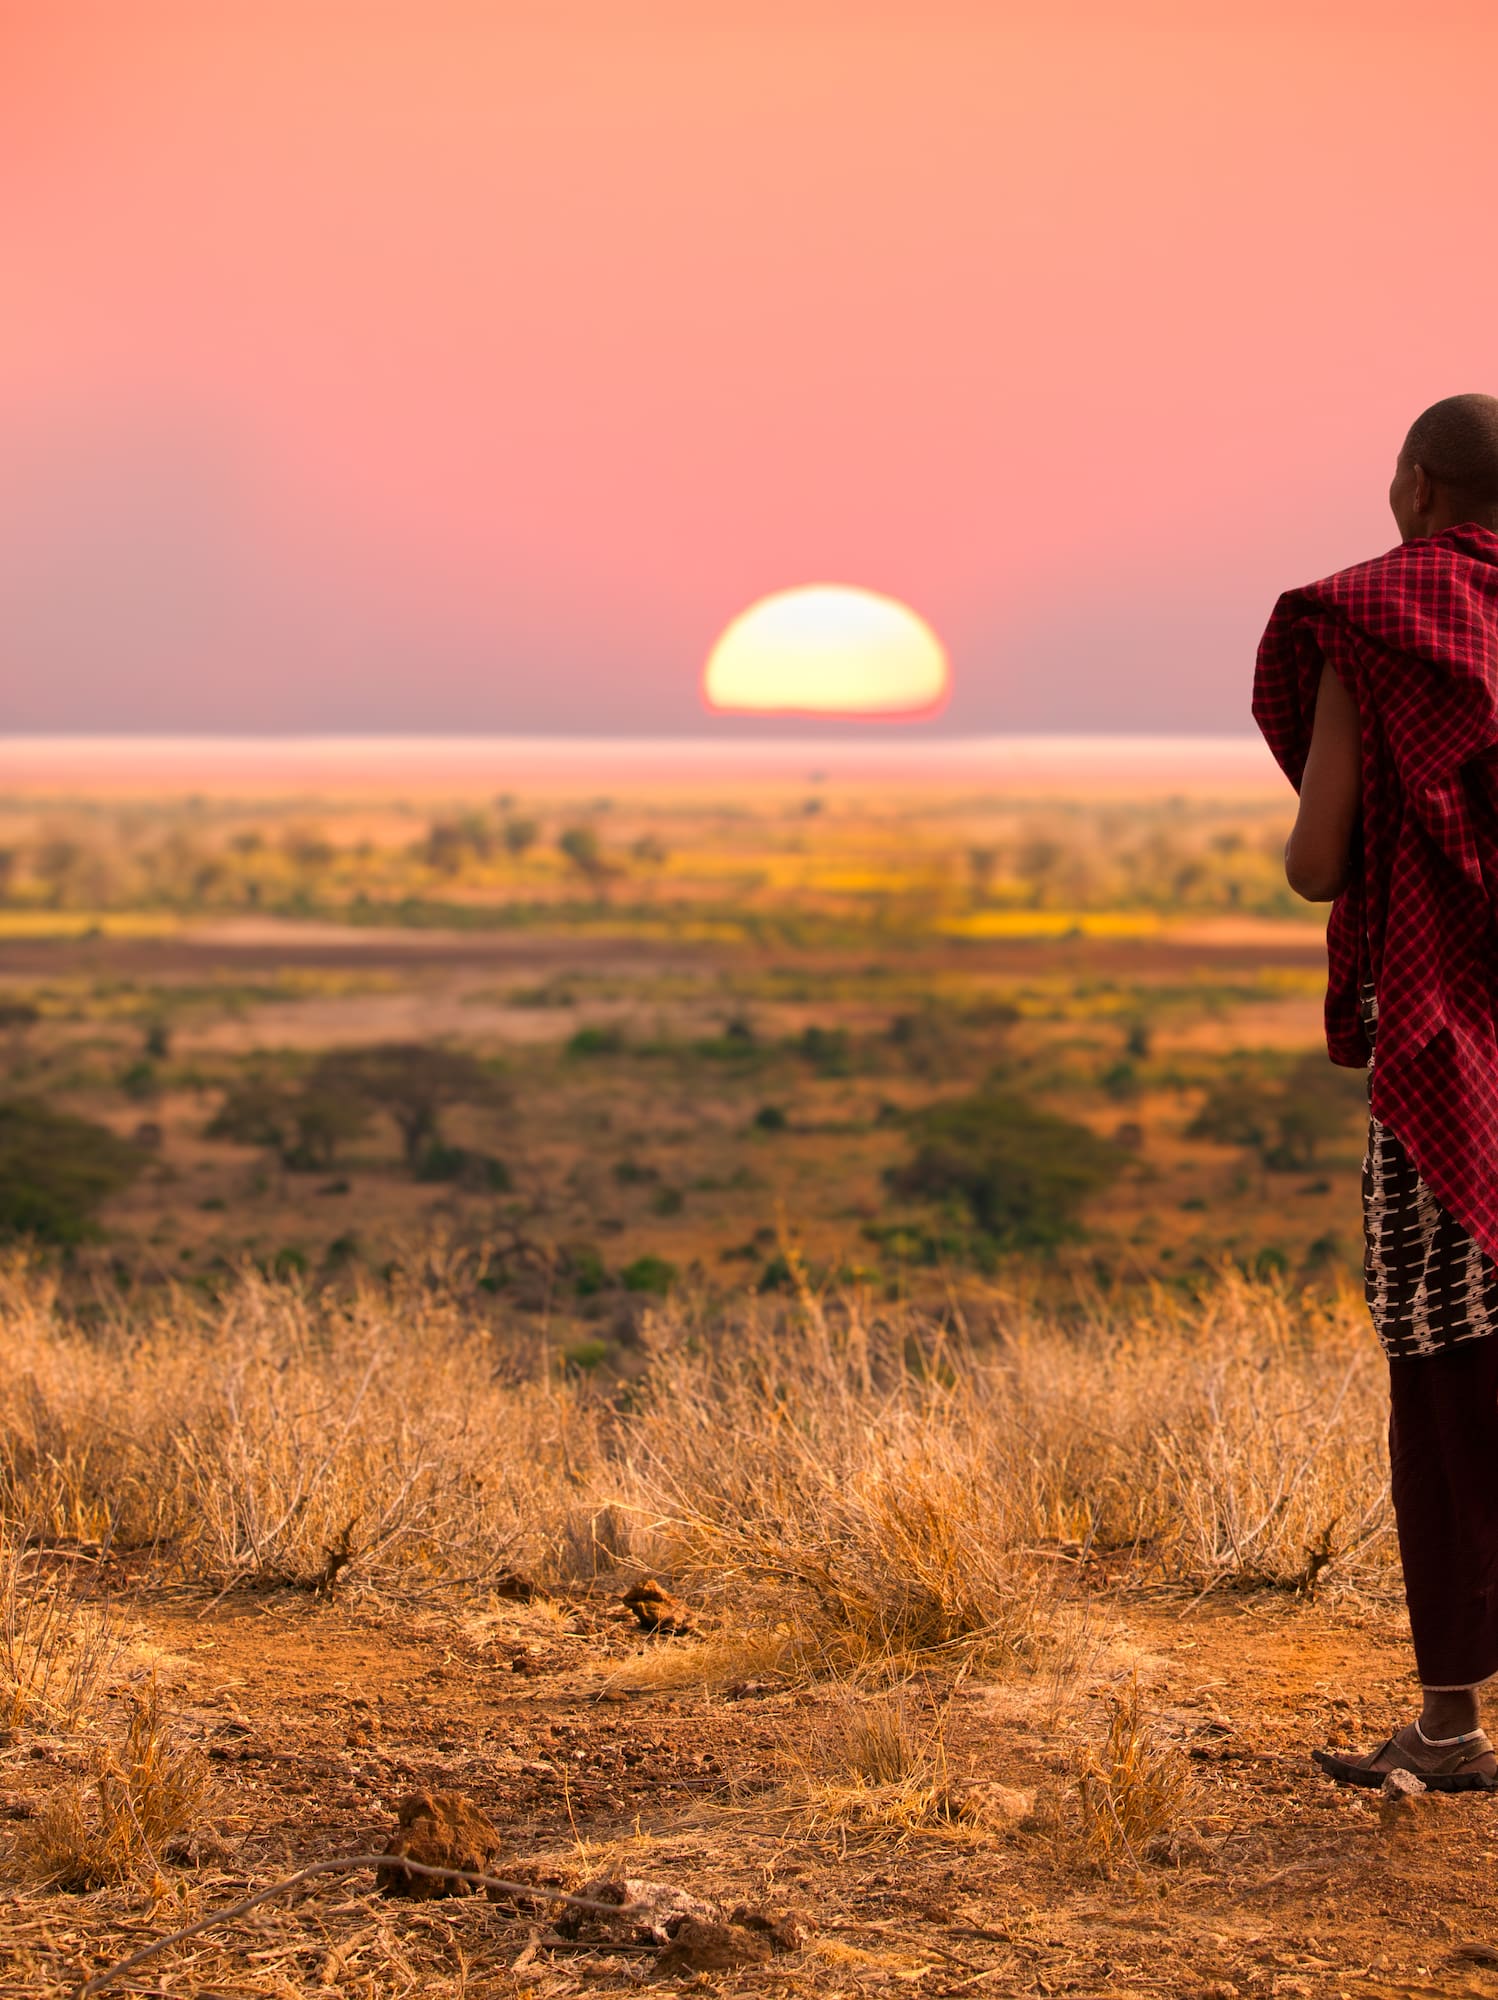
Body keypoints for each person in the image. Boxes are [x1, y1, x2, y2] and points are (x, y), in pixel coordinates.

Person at [1254, 392, 1498, 1793]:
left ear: (1413, 488)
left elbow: (1311, 860)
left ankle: (1452, 1727)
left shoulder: (1371, 625)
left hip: (1448, 1050)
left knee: (1446, 1369)